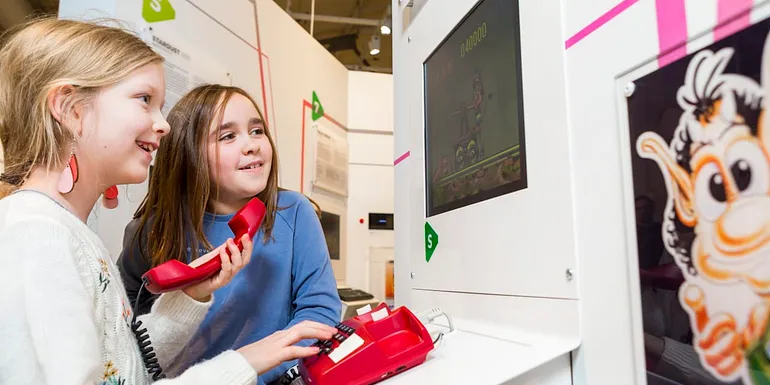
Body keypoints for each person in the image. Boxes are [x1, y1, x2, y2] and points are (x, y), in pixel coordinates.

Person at [0, 17, 337, 385]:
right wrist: (243, 363)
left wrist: (189, 296)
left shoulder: (63, 232)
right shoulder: (37, 235)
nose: (163, 125)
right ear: (70, 109)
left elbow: (124, 366)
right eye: (144, 99)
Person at [117, 84, 342, 384]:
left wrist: (254, 373)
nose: (251, 145)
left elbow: (319, 312)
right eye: (228, 136)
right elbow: (129, 334)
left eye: (257, 130)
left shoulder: (294, 212)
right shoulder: (151, 230)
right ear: (189, 153)